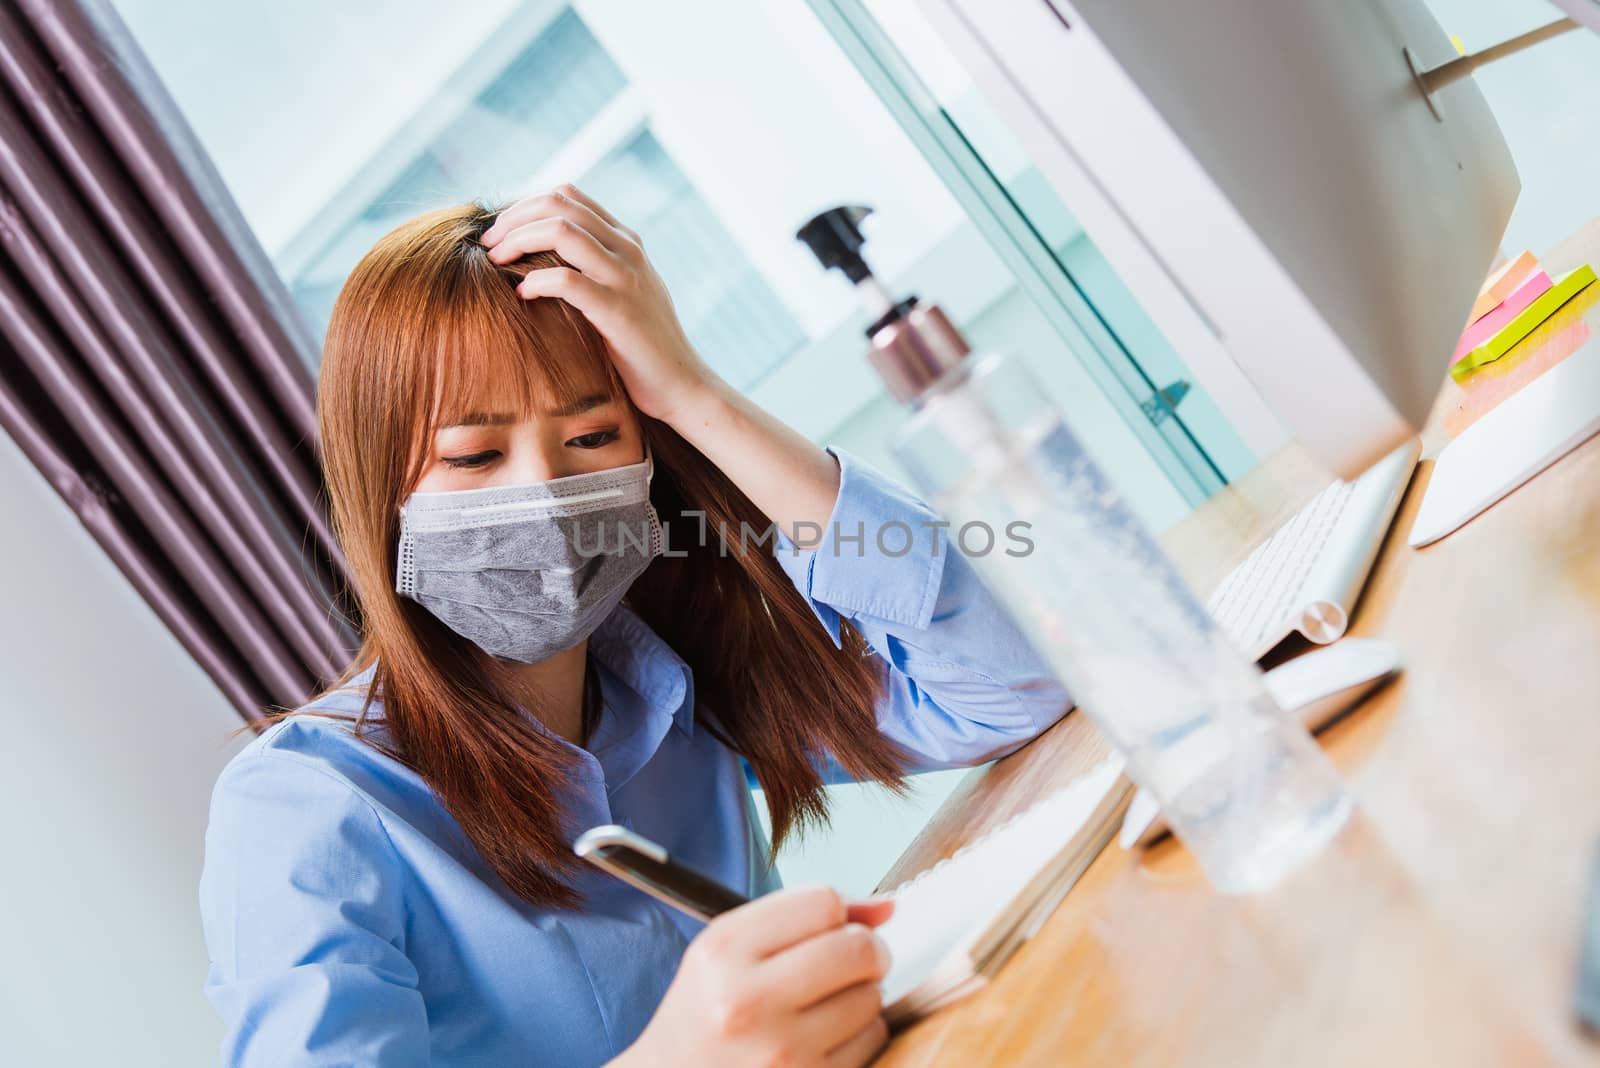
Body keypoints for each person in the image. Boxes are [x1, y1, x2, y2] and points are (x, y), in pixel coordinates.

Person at [198, 183, 1070, 1067]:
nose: (541, 497)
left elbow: (1015, 687)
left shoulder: (677, 686)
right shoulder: (305, 806)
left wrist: (697, 394)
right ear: (382, 491)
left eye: (592, 439)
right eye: (473, 455)